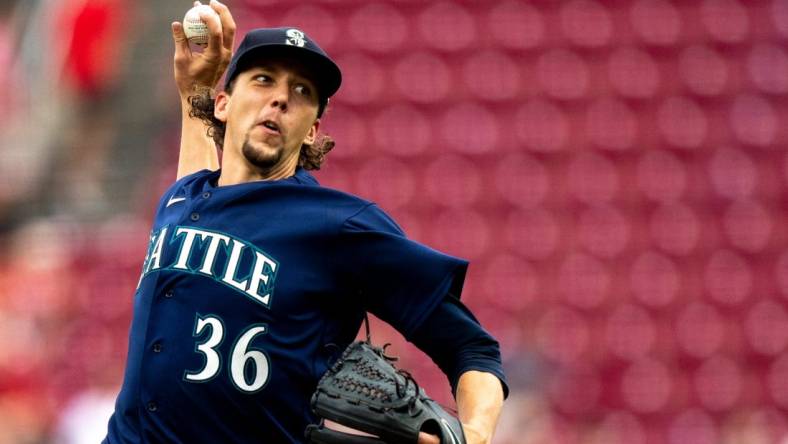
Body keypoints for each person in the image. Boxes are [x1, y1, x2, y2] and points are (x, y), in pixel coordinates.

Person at [103, 1, 507, 443]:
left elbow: (473, 348)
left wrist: (474, 433)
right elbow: (205, 198)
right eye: (263, 80)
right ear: (222, 103)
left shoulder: (337, 226)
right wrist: (190, 91)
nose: (280, 97)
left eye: (302, 92)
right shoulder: (182, 199)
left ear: (312, 129)